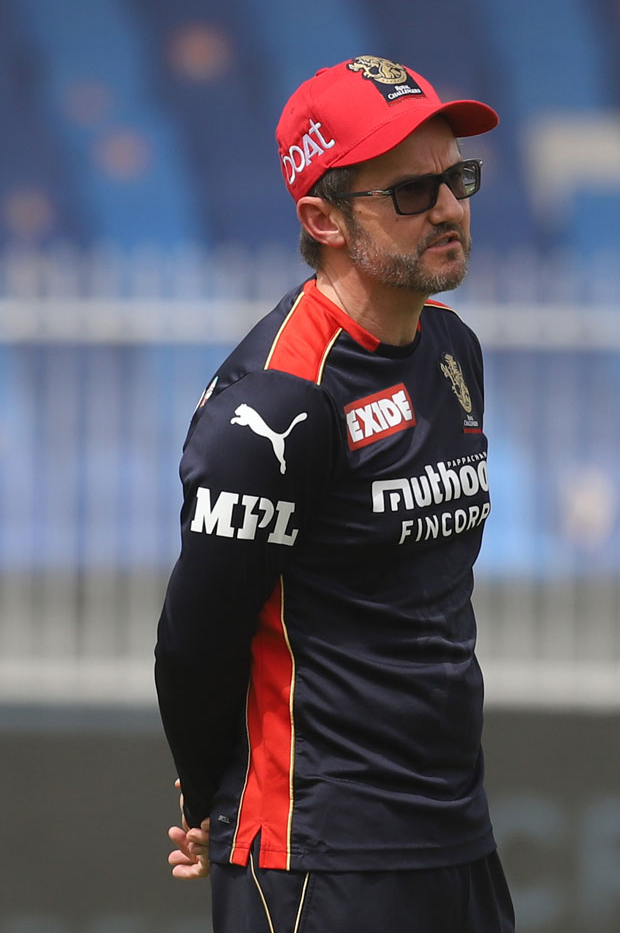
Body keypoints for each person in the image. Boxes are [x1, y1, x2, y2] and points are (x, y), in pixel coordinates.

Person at [154, 56, 515, 933]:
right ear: (321, 216)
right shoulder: (281, 398)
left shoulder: (453, 350)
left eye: (456, 178)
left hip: (456, 834)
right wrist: (214, 801)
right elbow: (192, 642)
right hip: (319, 854)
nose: (449, 208)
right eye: (409, 192)